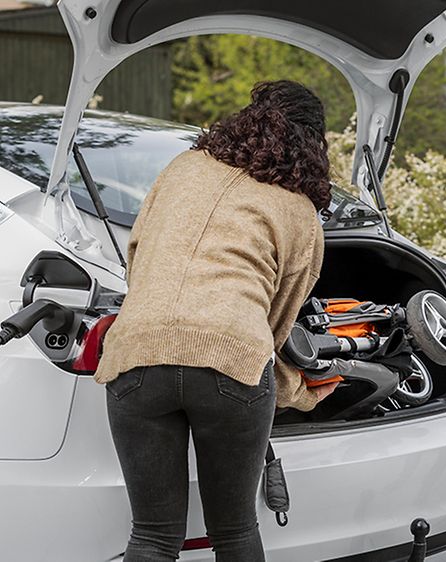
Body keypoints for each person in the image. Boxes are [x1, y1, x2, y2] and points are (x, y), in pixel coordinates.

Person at [95, 80, 339, 561]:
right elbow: (279, 320)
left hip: (135, 354)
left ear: (245, 119)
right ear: (313, 143)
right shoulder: (300, 212)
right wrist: (292, 388)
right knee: (234, 531)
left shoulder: (182, 167)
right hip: (230, 362)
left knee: (150, 537)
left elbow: (138, 256)